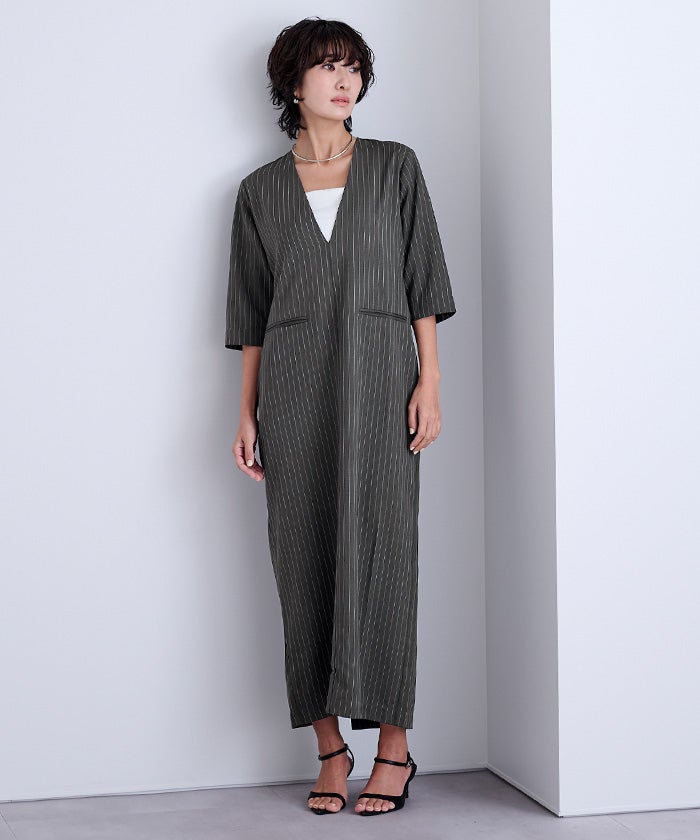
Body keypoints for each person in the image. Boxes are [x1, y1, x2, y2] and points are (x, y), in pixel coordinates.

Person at [225, 17, 456, 816]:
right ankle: (329, 749)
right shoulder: (259, 192)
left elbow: (424, 280)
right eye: (327, 66)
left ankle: (394, 748)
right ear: (293, 83)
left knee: (388, 554)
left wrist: (430, 381)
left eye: (353, 66)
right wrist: (245, 410)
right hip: (292, 391)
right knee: (301, 557)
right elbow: (250, 312)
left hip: (384, 383)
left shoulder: (395, 168)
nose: (344, 79)